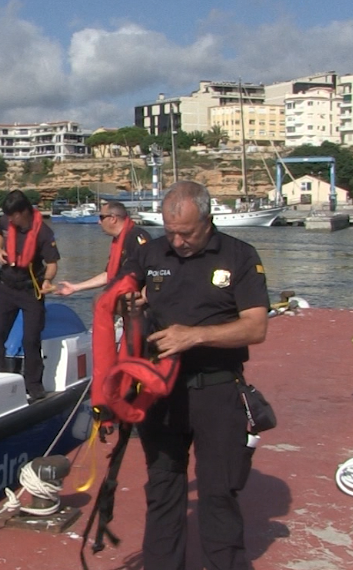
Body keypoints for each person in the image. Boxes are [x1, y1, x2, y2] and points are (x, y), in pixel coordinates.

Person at [120, 181, 269, 570]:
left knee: (218, 492)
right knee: (163, 488)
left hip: (216, 389)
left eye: (186, 233)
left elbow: (256, 327)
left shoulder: (239, 256)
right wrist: (129, 304)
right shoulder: (151, 252)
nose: (178, 241)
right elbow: (124, 291)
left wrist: (195, 335)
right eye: (171, 232)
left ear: (208, 220)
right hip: (161, 392)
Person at [0, 190, 59, 402]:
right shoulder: (6, 221)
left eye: (13, 216)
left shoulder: (44, 233)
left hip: (30, 290)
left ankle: (33, 384)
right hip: (6, 287)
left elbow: (52, 264)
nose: (10, 219)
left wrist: (47, 280)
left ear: (23, 212)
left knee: (30, 338)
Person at [55, 200, 149, 296]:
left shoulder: (137, 237)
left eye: (101, 217)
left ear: (113, 219)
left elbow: (150, 271)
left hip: (136, 298)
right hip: (122, 295)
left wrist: (144, 295)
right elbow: (108, 275)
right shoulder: (118, 241)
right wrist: (75, 287)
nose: (99, 222)